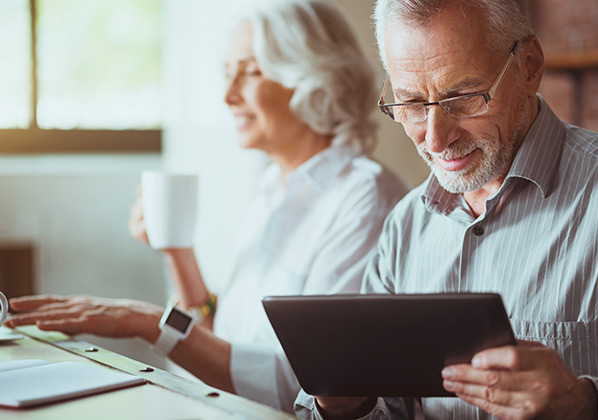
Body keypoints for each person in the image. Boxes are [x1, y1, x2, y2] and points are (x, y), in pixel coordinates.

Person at [6, 0, 408, 413]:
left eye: (250, 71)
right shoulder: (275, 186)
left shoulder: (365, 199)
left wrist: (145, 321)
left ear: (314, 79)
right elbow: (224, 342)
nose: (228, 95)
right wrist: (176, 249)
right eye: (227, 72)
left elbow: (309, 388)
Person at [294, 0, 598, 419]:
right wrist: (346, 406)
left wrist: (584, 403)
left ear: (529, 66)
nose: (436, 140)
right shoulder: (404, 227)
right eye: (412, 104)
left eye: (463, 97)